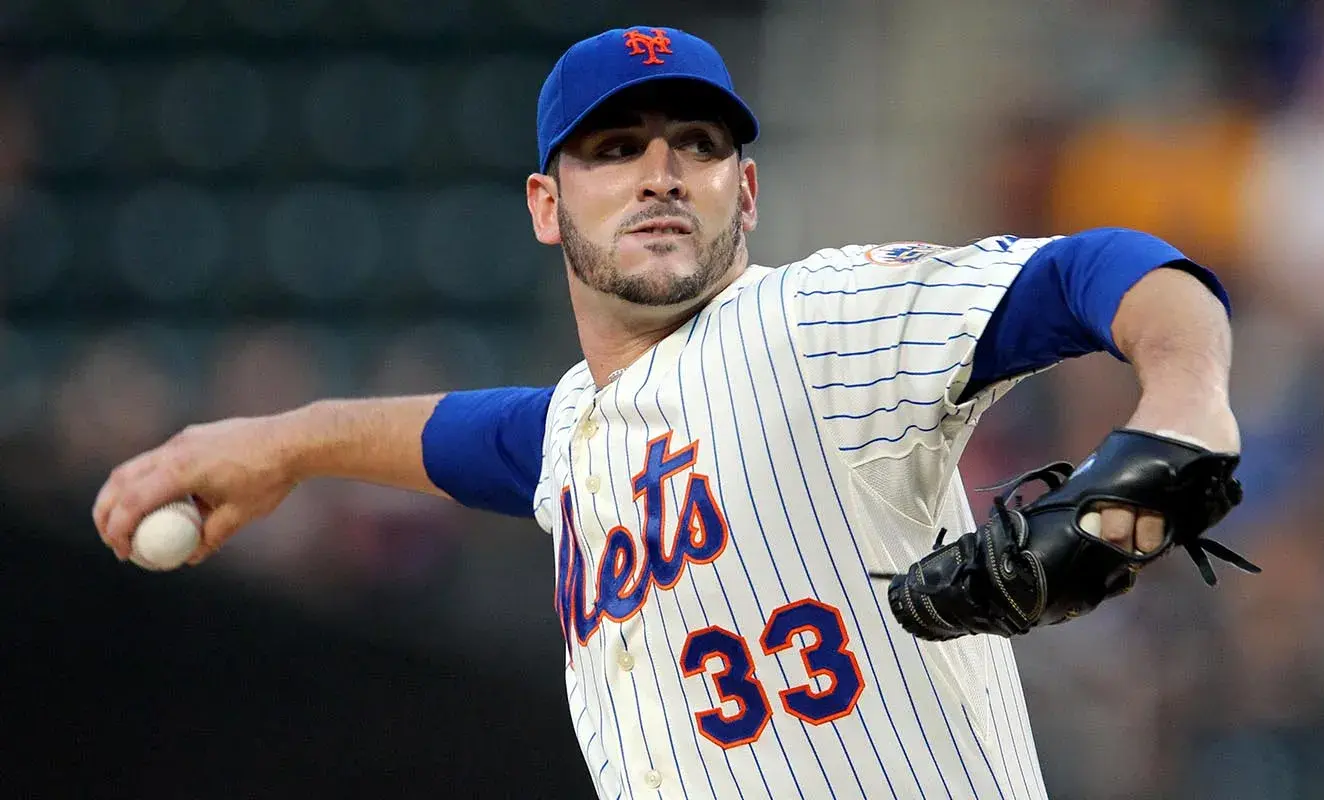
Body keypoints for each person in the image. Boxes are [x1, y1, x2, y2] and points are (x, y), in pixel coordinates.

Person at [93, 25, 1242, 800]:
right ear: (549, 206)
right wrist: (278, 442)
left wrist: (1187, 401)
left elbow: (1102, 268)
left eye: (696, 144)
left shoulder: (816, 323)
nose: (659, 171)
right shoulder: (579, 430)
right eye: (614, 148)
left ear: (745, 189)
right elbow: (479, 439)